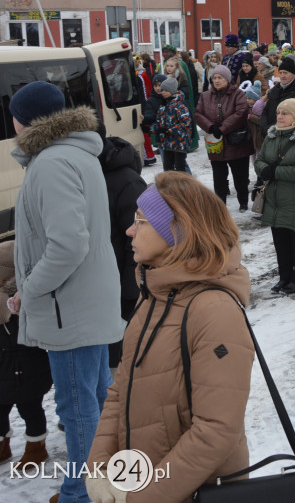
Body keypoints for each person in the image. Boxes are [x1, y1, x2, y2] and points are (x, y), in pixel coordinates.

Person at [86, 173, 255, 503]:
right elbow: (120, 390)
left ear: (178, 232)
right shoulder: (154, 295)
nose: (129, 231)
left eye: (141, 222)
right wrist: (100, 467)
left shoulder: (214, 311)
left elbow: (216, 431)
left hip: (188, 492)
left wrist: (142, 497)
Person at [8, 82, 123, 503]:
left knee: (78, 410)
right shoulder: (74, 153)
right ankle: (100, 482)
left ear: (26, 119)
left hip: (68, 308)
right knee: (94, 399)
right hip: (83, 302)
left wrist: (30, 289)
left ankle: (81, 493)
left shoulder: (51, 163)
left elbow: (68, 244)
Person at [256, 99, 295, 295]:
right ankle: (284, 277)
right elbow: (260, 160)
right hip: (275, 200)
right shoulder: (271, 137)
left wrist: (276, 172)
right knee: (280, 242)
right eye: (278, 112)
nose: (280, 117)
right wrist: (264, 170)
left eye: (285, 113)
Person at [0, 241, 53, 468]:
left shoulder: (21, 302)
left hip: (29, 369)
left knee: (30, 408)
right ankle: (3, 445)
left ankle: (36, 448)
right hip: (4, 369)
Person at [97, 134, 147, 369]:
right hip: (102, 284)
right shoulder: (88, 176)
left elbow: (138, 239)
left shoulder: (127, 181)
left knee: (123, 358)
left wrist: (130, 291)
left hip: (121, 286)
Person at [195, 65, 254, 209]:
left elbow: (241, 112)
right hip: (216, 143)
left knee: (240, 176)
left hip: (237, 142)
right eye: (214, 78)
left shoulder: (238, 94)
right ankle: (220, 205)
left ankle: (243, 202)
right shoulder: (205, 96)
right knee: (219, 177)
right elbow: (197, 114)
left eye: (220, 78)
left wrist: (222, 128)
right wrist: (210, 127)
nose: (217, 81)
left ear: (227, 79)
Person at [154, 76, 193, 172]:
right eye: (162, 90)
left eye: (166, 90)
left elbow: (185, 123)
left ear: (173, 91)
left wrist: (169, 130)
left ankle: (183, 185)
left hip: (180, 142)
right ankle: (170, 186)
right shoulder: (163, 105)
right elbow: (159, 121)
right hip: (167, 142)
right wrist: (155, 129)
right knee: (167, 168)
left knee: (180, 167)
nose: (163, 92)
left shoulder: (179, 105)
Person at [261, 56, 295, 136]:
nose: (282, 76)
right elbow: (266, 111)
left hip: (284, 135)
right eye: (281, 73)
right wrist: (264, 127)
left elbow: (290, 118)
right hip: (268, 133)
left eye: (285, 73)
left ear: (294, 74)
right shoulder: (276, 89)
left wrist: (271, 129)